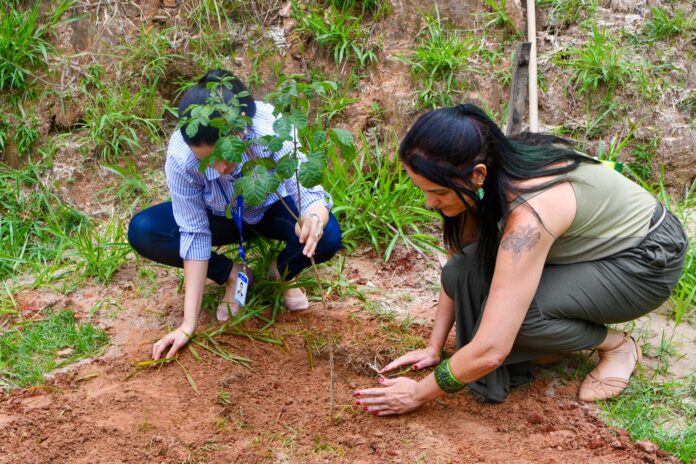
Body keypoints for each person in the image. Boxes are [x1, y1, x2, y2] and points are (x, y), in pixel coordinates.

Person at [354, 104, 688, 414]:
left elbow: (491, 349)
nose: (429, 203)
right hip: (589, 249)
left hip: (644, 261)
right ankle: (554, 338)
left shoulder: (530, 215)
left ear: (478, 174)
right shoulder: (486, 168)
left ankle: (616, 346)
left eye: (438, 193)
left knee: (520, 320)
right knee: (461, 271)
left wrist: (416, 394)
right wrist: (434, 346)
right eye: (423, 190)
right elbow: (460, 266)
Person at [128, 70, 342, 360]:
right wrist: (188, 324)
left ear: (241, 130)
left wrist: (313, 220)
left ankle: (280, 273)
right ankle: (233, 274)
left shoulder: (271, 128)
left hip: (272, 207)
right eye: (207, 160)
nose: (218, 168)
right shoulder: (181, 154)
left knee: (327, 237)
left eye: (223, 155)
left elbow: (310, 193)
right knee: (145, 230)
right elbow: (193, 230)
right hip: (221, 215)